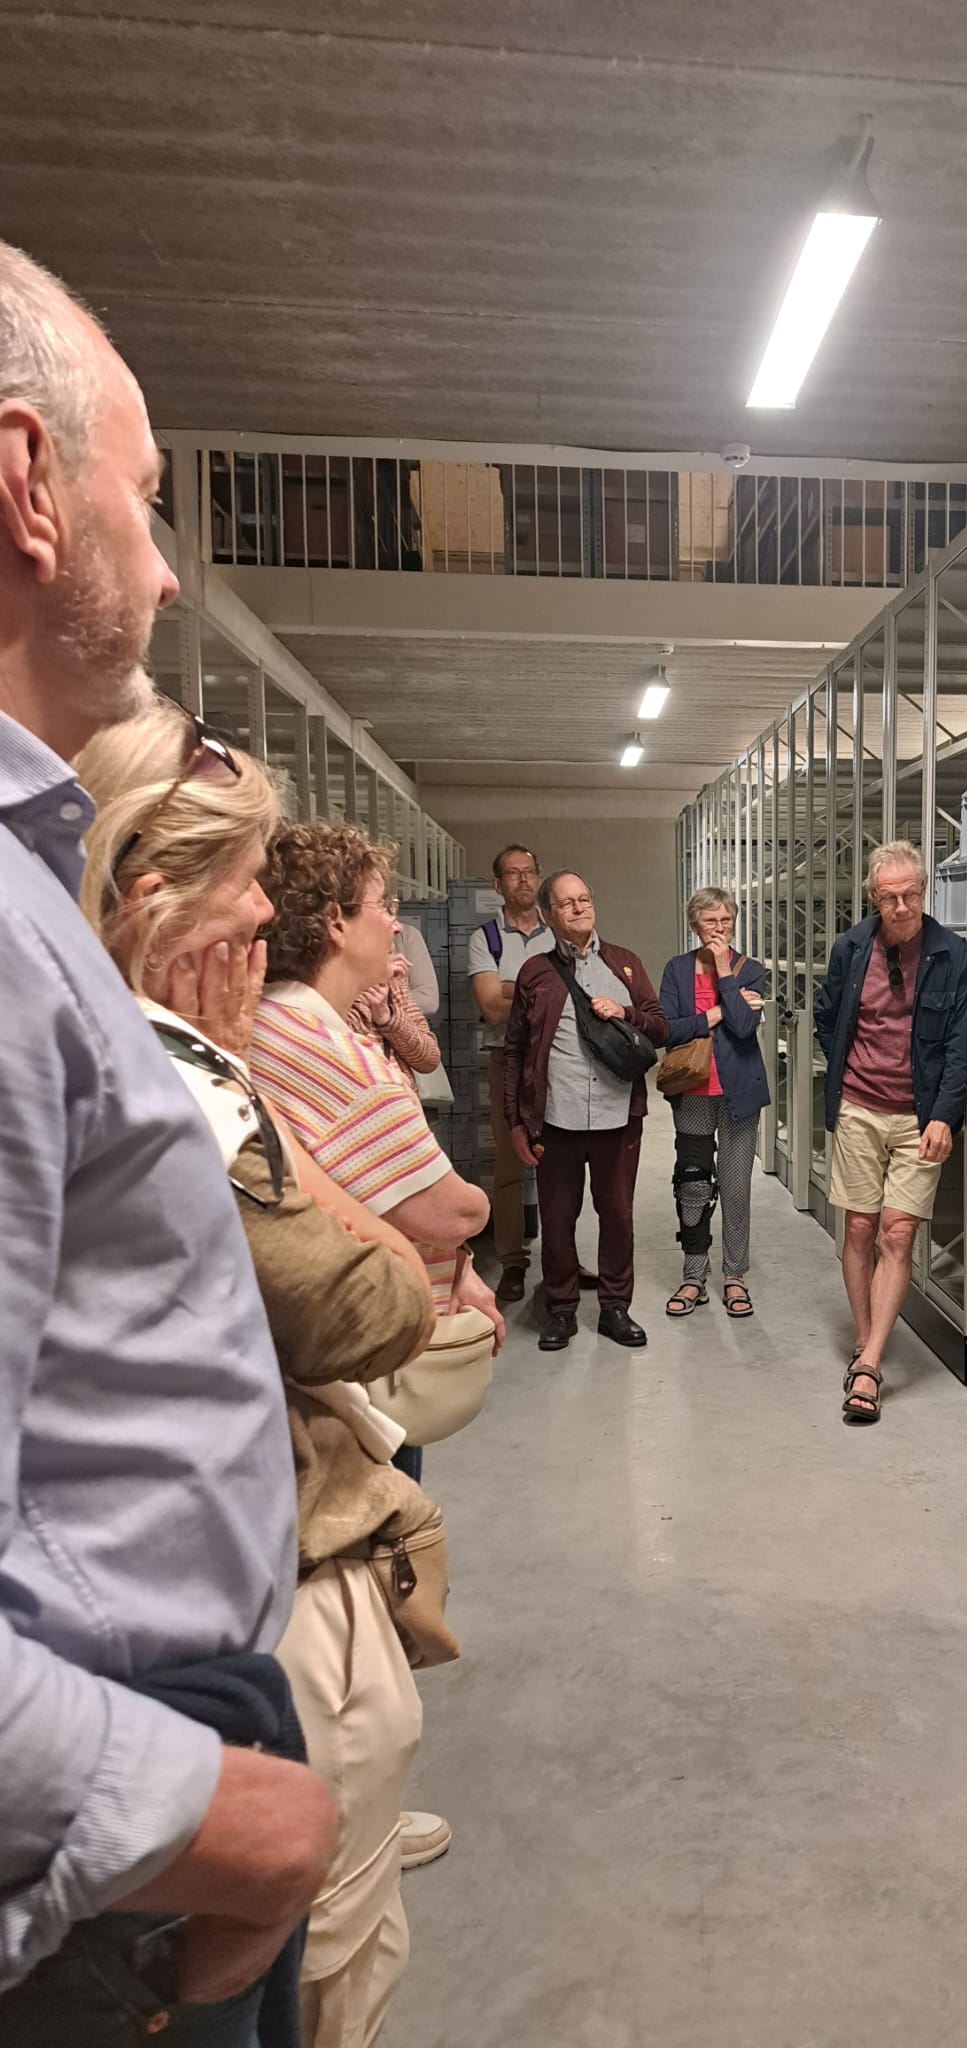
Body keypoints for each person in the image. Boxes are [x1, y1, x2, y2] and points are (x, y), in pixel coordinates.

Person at [0, 239, 336, 2040]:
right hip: (121, 1811)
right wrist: (235, 1817)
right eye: (141, 493)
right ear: (26, 487)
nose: (169, 557)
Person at [77, 700, 445, 2048]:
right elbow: (370, 1288)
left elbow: (420, 1116)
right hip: (241, 1576)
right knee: (311, 1951)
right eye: (243, 881)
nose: (264, 919)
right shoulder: (171, 1073)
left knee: (318, 1921)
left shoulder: (172, 1057)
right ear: (151, 896)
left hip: (249, 1560)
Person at [249, 820, 504, 1875]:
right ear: (333, 921)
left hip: (371, 1337)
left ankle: (358, 1795)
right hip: (349, 1368)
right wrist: (471, 1221)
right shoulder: (303, 1030)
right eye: (379, 903)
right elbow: (440, 1199)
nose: (395, 920)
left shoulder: (318, 1021)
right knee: (363, 1579)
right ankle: (351, 1812)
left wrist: (459, 1259)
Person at [814, 840, 967, 1425]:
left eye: (911, 895)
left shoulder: (952, 953)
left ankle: (870, 1363)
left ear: (924, 893)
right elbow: (830, 1017)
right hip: (858, 1106)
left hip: (918, 1114)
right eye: (889, 897)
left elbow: (960, 1042)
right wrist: (845, 1072)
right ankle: (866, 1337)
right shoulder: (851, 948)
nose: (902, 906)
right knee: (858, 1226)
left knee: (897, 1233)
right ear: (873, 897)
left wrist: (943, 1115)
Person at [503, 870, 667, 1352]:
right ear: (550, 915)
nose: (579, 908)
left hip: (618, 1117)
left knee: (617, 1215)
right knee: (557, 1218)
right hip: (557, 1118)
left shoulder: (626, 965)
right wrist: (516, 1121)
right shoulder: (535, 973)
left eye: (585, 899)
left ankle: (616, 1306)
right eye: (567, 903)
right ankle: (561, 1307)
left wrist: (625, 1014)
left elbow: (659, 1027)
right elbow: (514, 1050)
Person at [658, 887, 769, 1319]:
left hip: (739, 1095)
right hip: (693, 1092)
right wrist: (720, 1011)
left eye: (726, 921)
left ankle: (735, 1275)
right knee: (693, 1185)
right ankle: (693, 1273)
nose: (719, 929)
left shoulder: (750, 969)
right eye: (711, 922)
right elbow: (668, 1029)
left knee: (736, 1187)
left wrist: (724, 970)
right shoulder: (676, 969)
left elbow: (744, 1028)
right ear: (694, 925)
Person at [466, 842, 554, 1301]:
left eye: (530, 871)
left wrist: (511, 986)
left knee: (560, 1161)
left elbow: (570, 1002)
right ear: (497, 885)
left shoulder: (557, 932)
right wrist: (538, 990)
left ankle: (561, 1257)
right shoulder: (486, 938)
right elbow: (489, 1008)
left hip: (557, 1062)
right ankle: (513, 1262)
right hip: (507, 1061)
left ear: (538, 878)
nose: (523, 880)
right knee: (508, 1164)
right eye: (513, 874)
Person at [347, 947, 442, 1096]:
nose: (397, 927)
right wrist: (368, 983)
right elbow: (334, 1044)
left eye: (390, 951)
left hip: (400, 1105)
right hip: (357, 1105)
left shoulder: (394, 982)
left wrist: (387, 1017)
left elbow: (429, 1059)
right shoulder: (328, 983)